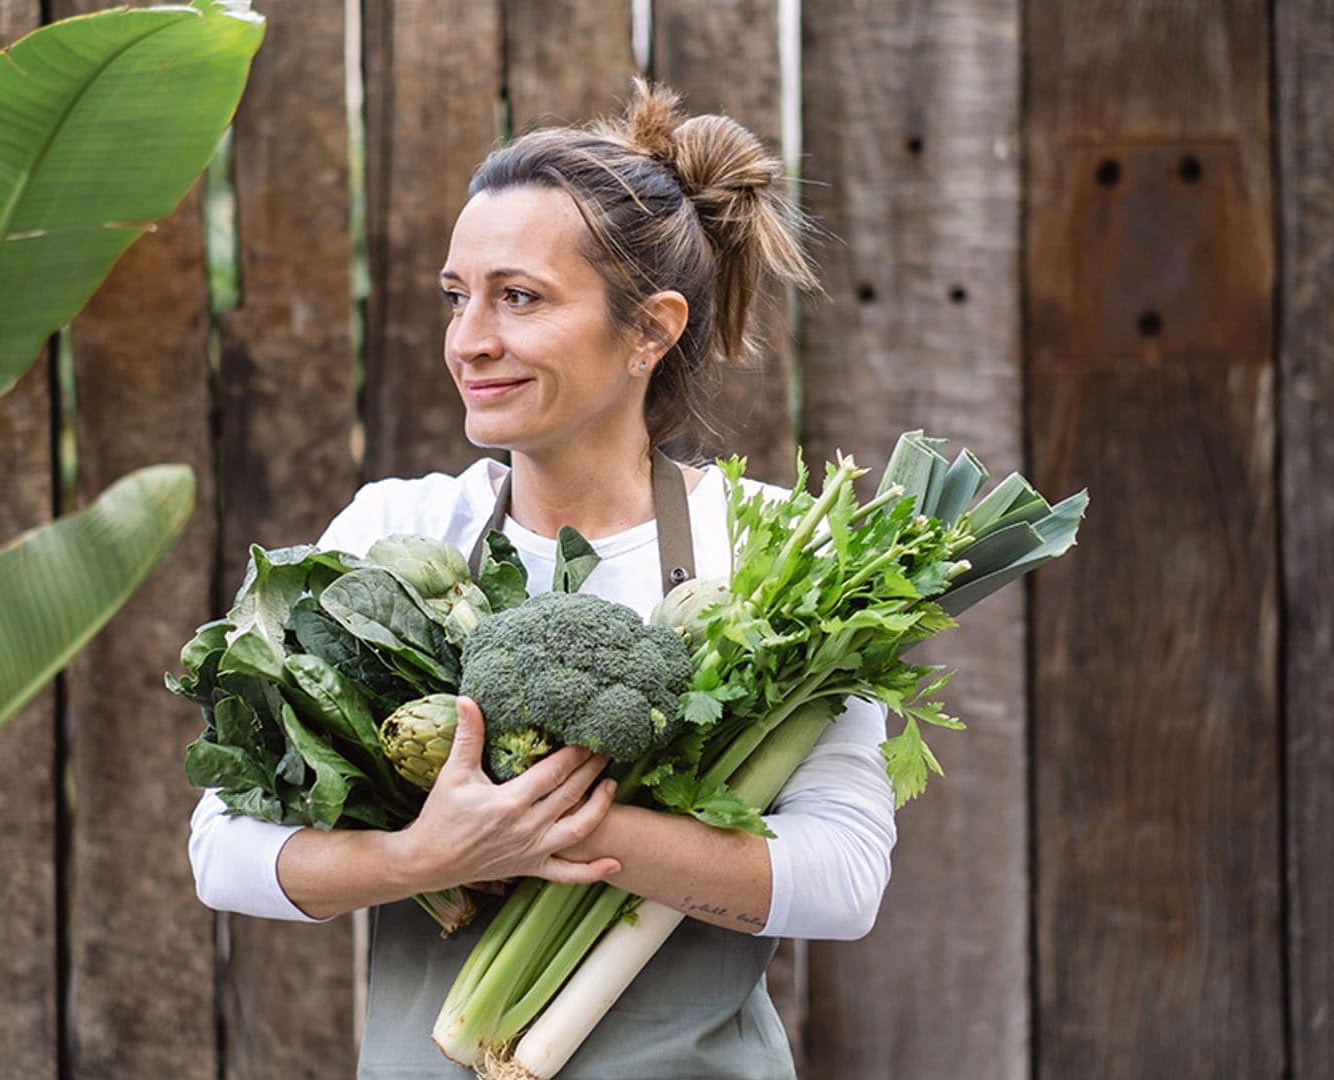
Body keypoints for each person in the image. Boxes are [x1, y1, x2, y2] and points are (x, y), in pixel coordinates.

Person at [189, 77, 897, 1078]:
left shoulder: (778, 553)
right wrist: (426, 857)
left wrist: (550, 824)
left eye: (517, 297)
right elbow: (223, 850)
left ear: (651, 328)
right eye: (457, 296)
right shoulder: (398, 533)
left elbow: (841, 880)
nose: (469, 339)